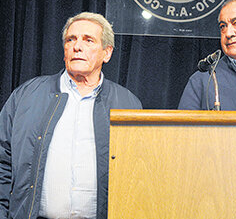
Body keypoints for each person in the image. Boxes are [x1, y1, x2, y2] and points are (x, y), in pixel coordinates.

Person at [0, 12, 142, 219]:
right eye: (71, 39)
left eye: (88, 40)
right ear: (65, 49)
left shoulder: (128, 104)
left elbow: (138, 175)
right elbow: (2, 160)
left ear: (107, 53)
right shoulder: (26, 96)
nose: (77, 46)